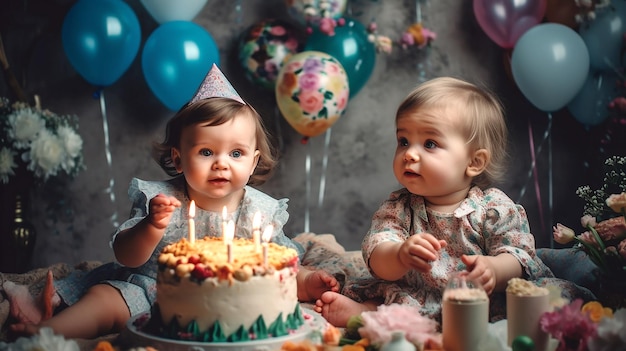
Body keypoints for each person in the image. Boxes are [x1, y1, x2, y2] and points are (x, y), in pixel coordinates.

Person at [6, 64, 338, 339]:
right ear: (178, 160)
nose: (221, 163)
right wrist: (152, 226)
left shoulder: (262, 212)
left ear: (253, 162)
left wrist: (307, 281)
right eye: (206, 152)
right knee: (103, 302)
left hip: (228, 303)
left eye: (235, 153)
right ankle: (42, 335)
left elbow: (279, 268)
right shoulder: (161, 200)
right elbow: (127, 256)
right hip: (151, 287)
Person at [314, 77, 593, 327]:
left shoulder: (493, 208)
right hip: (420, 298)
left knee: (549, 300)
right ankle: (366, 314)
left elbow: (519, 255)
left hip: (483, 300)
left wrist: (494, 270)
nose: (410, 154)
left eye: (430, 144)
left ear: (474, 162)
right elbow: (377, 255)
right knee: (391, 300)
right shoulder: (399, 208)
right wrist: (399, 254)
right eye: (403, 140)